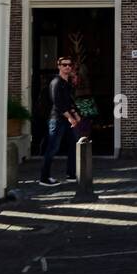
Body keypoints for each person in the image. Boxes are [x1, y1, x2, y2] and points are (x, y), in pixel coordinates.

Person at [38, 56, 80, 186]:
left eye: (69, 65)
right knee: (52, 148)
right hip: (56, 120)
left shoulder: (67, 83)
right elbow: (58, 103)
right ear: (59, 66)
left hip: (66, 120)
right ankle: (44, 178)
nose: (67, 67)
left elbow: (69, 102)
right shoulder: (56, 82)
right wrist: (70, 117)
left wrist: (75, 114)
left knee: (74, 144)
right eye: (64, 64)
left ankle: (71, 174)